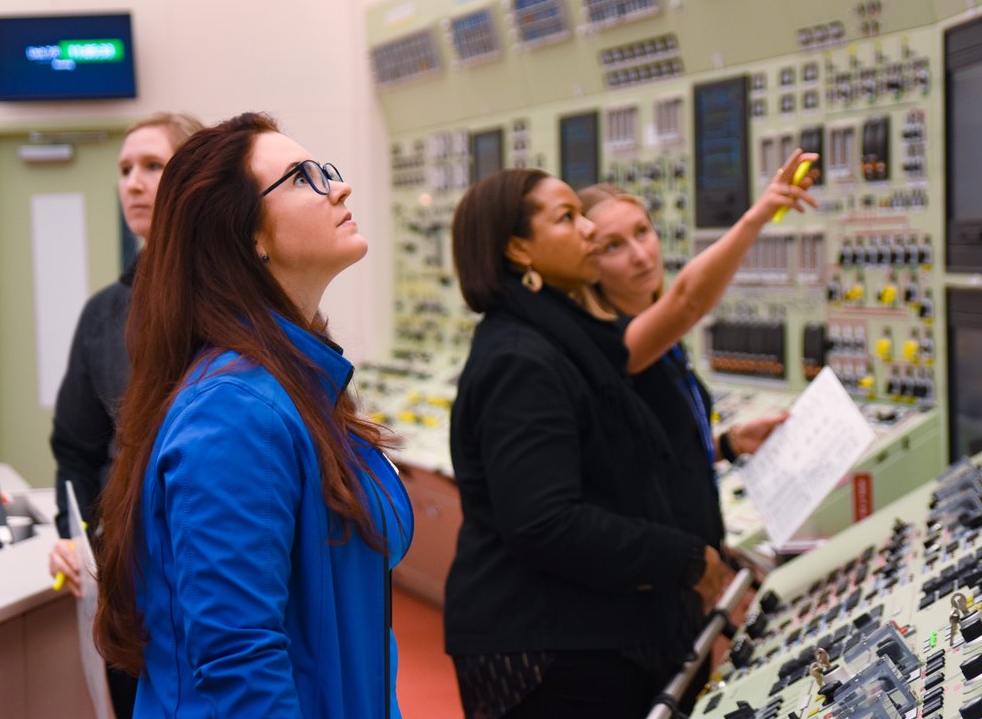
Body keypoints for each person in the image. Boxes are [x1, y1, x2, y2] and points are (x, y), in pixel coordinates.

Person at [93, 112, 413, 717]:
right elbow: (238, 661)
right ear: (247, 239)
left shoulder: (299, 385)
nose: (337, 188)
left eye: (325, 172)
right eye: (301, 179)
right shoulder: (236, 412)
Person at [445, 168, 737, 718]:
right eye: (566, 218)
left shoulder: (562, 336)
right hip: (550, 653)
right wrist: (681, 557)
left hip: (590, 633)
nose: (587, 231)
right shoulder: (520, 359)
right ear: (518, 250)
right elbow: (544, 522)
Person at [578, 150, 818, 558]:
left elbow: (663, 457)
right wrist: (755, 217)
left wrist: (729, 444)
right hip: (666, 569)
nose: (640, 254)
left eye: (642, 232)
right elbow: (688, 300)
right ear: (588, 264)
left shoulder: (662, 341)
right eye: (613, 246)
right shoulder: (613, 347)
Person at [46, 111, 203, 718]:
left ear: (194, 181)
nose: (134, 183)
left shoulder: (232, 305)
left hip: (211, 569)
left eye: (153, 166)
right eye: (124, 169)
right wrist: (77, 540)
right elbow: (75, 450)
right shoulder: (104, 315)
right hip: (126, 587)